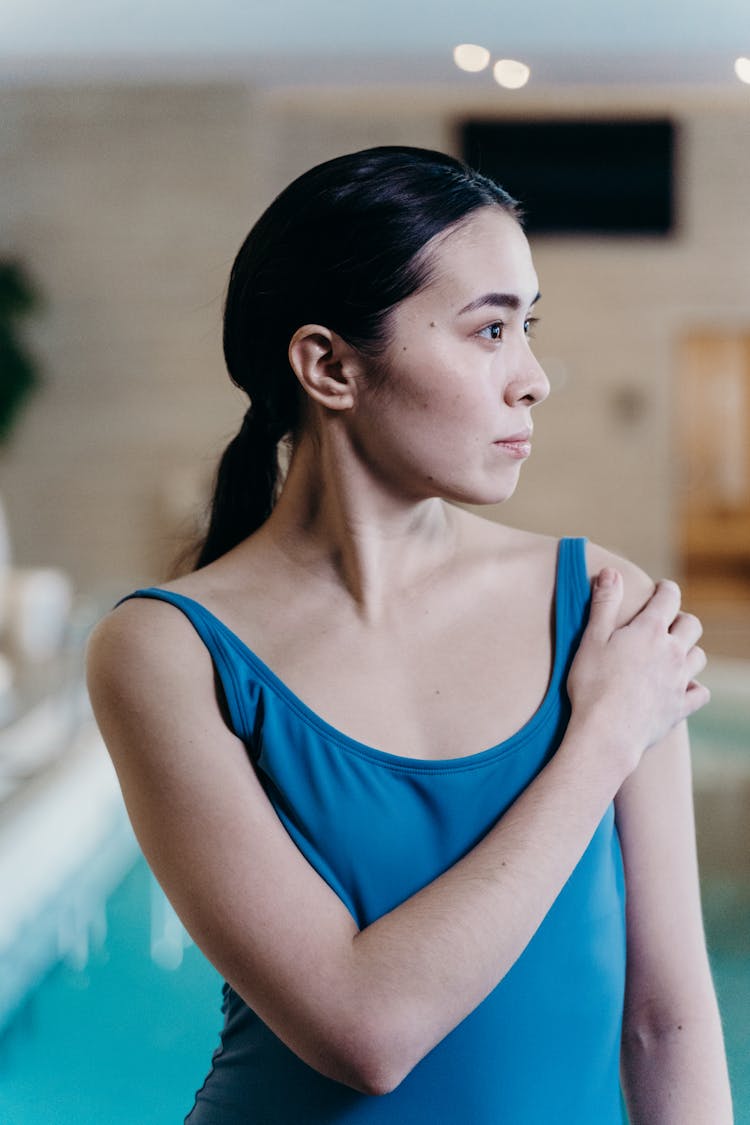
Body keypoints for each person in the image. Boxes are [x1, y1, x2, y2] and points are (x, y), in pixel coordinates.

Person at [86, 146, 732, 1124]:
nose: (534, 380)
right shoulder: (168, 653)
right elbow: (364, 1033)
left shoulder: (603, 605)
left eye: (530, 326)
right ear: (331, 365)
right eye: (489, 331)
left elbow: (667, 1020)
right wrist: (603, 737)